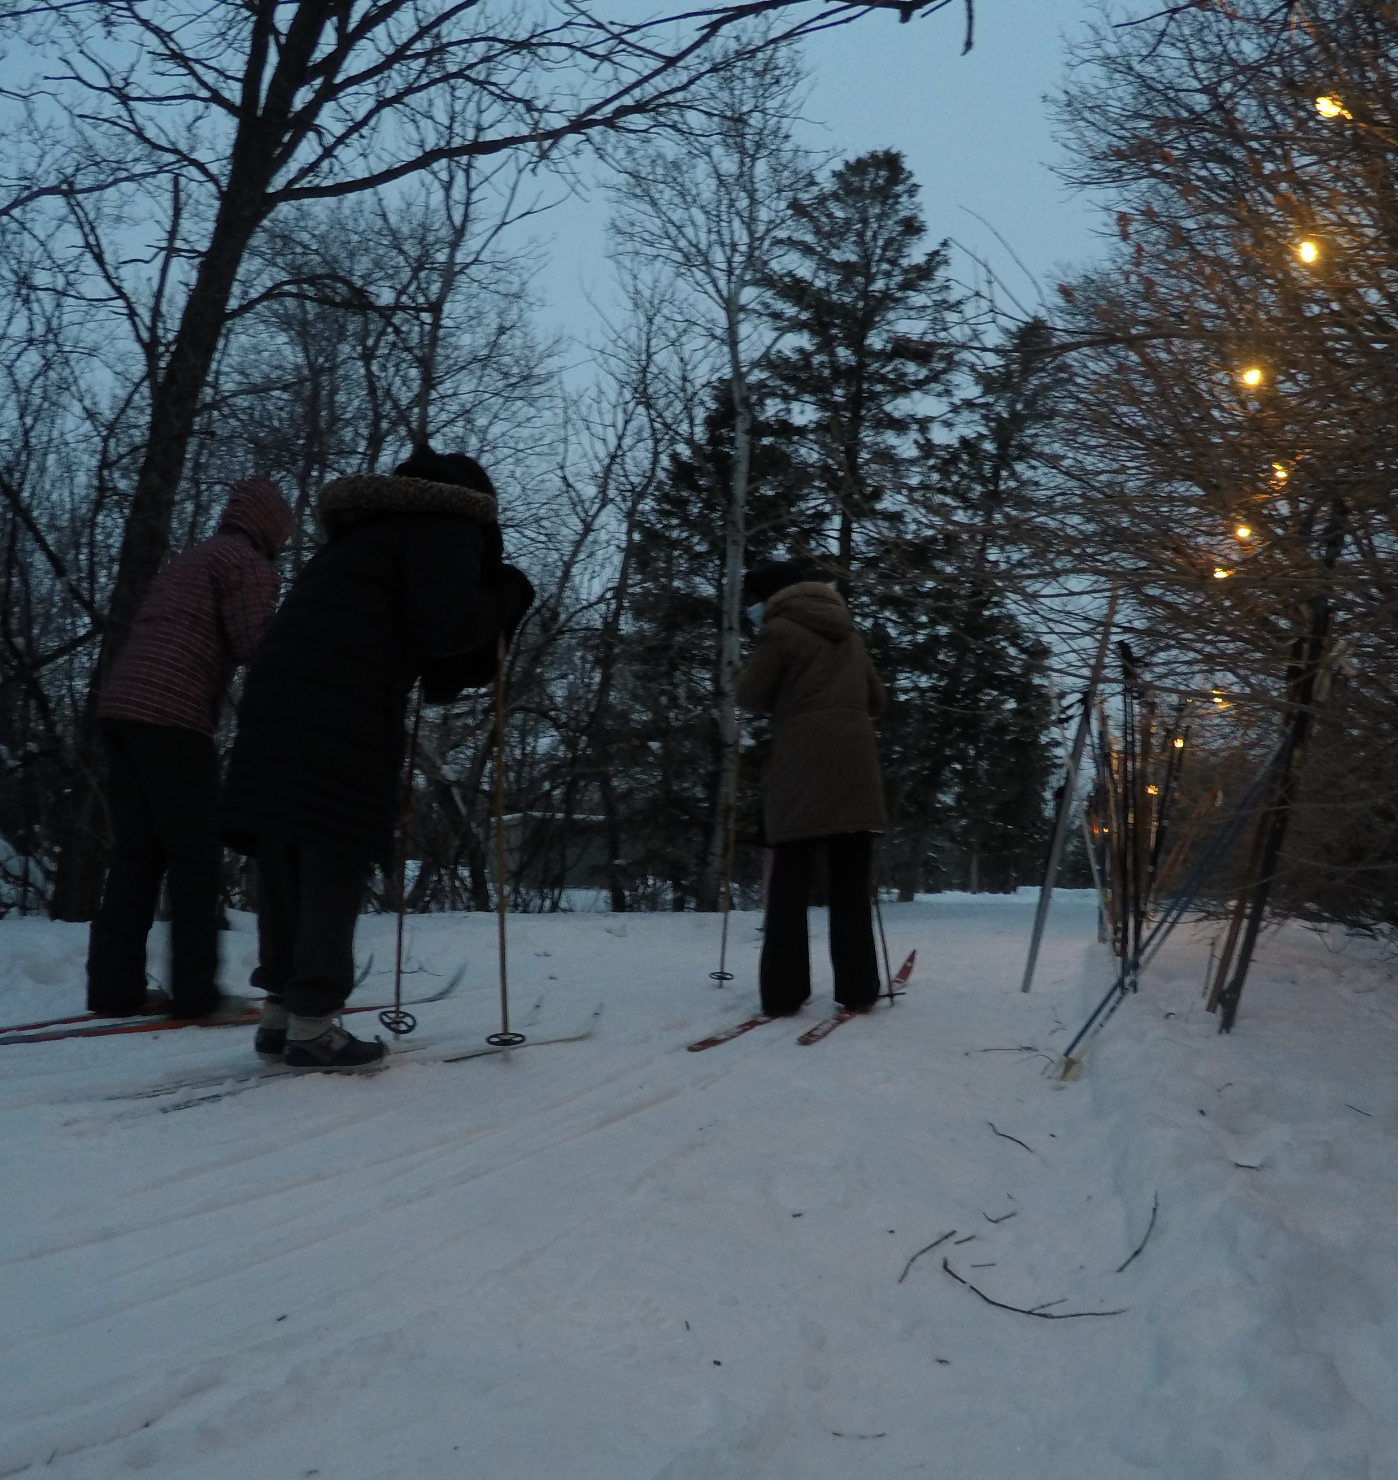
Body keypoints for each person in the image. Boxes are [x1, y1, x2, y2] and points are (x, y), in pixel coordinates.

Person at [219, 446, 534, 1070]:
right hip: (344, 708)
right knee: (335, 852)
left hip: (276, 696)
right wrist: (504, 598)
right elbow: (445, 625)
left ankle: (282, 1015)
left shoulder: (360, 537)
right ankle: (314, 1026)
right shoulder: (448, 527)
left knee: (285, 852)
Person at [87, 476, 295, 1019]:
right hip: (172, 716)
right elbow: (259, 646)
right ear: (270, 526)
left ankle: (114, 988)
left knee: (137, 852)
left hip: (122, 711)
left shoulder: (192, 558)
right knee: (195, 856)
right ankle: (197, 994)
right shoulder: (246, 563)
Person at [736, 561, 888, 1017]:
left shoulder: (779, 631)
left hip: (801, 772)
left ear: (771, 598)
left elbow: (750, 695)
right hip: (856, 773)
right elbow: (878, 700)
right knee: (850, 886)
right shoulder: (851, 636)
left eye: (754, 603)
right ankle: (859, 989)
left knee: (789, 884)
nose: (753, 612)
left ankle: (783, 994)